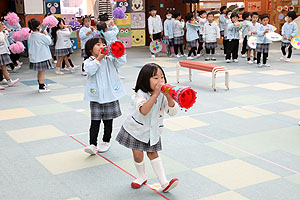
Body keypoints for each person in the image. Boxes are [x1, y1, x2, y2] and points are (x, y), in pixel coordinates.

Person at [116, 63, 179, 192]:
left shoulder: (163, 95)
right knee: (137, 154)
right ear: (145, 80)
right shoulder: (140, 94)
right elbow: (143, 110)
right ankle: (141, 176)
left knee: (153, 153)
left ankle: (164, 182)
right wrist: (155, 95)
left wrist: (169, 97)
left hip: (153, 131)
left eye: (162, 77)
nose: (160, 81)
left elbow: (172, 111)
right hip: (135, 130)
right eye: (156, 78)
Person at [83, 37, 126, 154]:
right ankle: (92, 144)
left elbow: (121, 61)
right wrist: (99, 59)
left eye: (103, 44)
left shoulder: (110, 59)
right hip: (96, 97)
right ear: (90, 49)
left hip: (109, 96)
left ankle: (106, 141)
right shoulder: (88, 61)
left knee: (108, 121)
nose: (102, 46)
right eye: (98, 44)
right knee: (95, 121)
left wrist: (118, 51)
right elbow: (90, 70)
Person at [27, 18, 52, 93]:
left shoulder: (31, 36)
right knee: (42, 71)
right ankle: (41, 87)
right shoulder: (41, 36)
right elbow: (49, 41)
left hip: (35, 57)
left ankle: (41, 83)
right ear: (38, 27)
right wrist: (46, 34)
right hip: (41, 57)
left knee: (40, 71)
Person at [0, 21, 19, 90]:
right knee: (3, 68)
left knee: (3, 68)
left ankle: (9, 81)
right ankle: (8, 81)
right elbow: (1, 39)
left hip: (2, 52)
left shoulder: (2, 32)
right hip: (1, 52)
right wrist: (3, 31)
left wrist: (5, 32)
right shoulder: (1, 33)